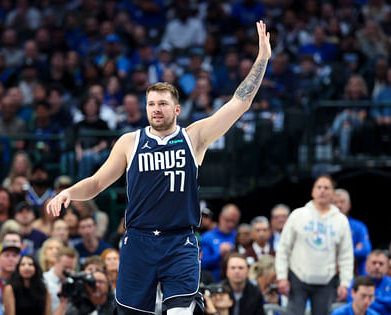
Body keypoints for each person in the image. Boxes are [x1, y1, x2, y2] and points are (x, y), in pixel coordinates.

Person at [47, 21, 271, 315]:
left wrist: (263, 58)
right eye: (151, 103)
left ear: (176, 109)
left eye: (163, 103)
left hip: (180, 240)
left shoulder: (194, 137)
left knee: (181, 311)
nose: (156, 108)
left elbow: (239, 103)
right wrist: (69, 193)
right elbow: (97, 182)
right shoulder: (130, 141)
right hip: (139, 240)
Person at [275, 175, 354, 315]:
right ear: (312, 192)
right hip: (298, 276)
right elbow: (283, 248)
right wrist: (281, 276)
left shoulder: (341, 220)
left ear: (332, 194)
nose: (322, 191)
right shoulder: (298, 215)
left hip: (326, 280)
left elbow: (346, 255)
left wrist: (345, 282)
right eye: (319, 187)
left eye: (326, 188)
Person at [351, 250, 391, 315]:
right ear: (366, 265)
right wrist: (390, 307)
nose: (377, 266)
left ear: (387, 267)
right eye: (374, 263)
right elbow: (354, 306)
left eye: (381, 264)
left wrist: (378, 299)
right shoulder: (357, 282)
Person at [333, 188, 372, 275]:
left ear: (349, 205)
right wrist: (354, 251)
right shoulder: (325, 226)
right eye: (335, 202)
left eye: (342, 202)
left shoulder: (359, 227)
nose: (339, 205)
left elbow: (365, 250)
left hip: (354, 275)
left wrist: (337, 254)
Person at [202, 203, 241, 280]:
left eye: (234, 222)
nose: (230, 225)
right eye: (228, 220)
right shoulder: (207, 237)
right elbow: (202, 264)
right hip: (213, 282)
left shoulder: (238, 236)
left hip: (235, 281)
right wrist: (219, 254)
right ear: (220, 217)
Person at [44, 246, 78, 312]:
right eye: (65, 267)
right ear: (56, 263)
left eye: (71, 268)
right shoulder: (44, 280)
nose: (68, 271)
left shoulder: (75, 281)